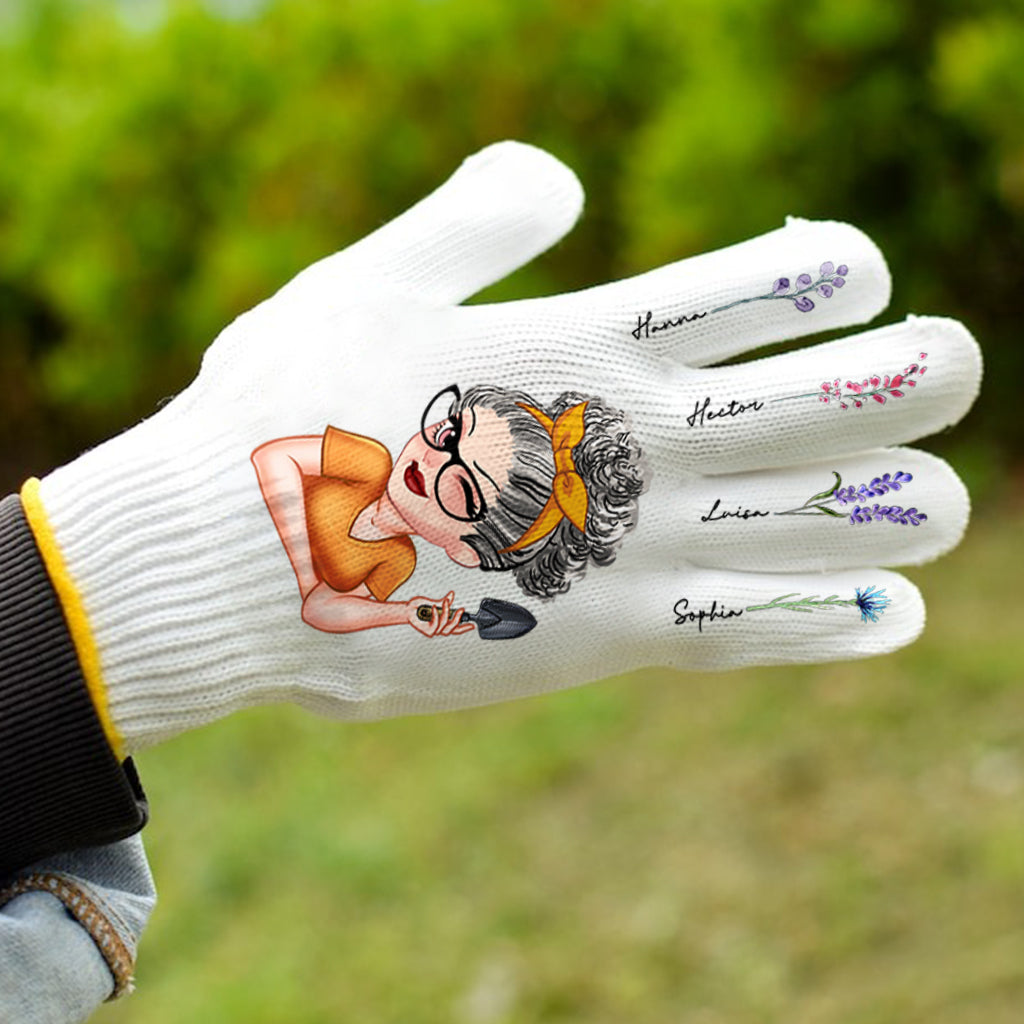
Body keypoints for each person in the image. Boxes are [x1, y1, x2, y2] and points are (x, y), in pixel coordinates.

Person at [0, 140, 982, 1021]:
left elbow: (327, 598)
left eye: (461, 489)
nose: (429, 465)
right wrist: (152, 542)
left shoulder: (394, 564)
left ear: (469, 552)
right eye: (444, 433)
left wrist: (387, 610)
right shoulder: (356, 459)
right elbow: (277, 466)